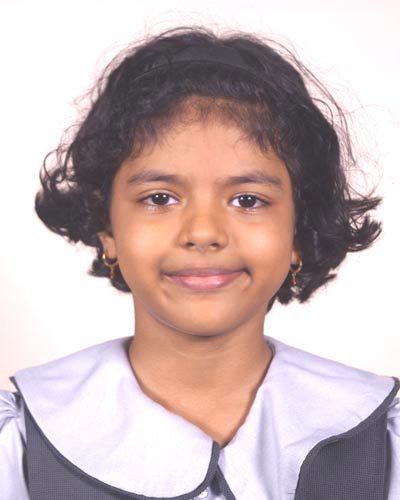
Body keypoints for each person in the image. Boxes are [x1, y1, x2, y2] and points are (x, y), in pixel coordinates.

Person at [0, 26, 398, 500]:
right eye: (160, 198)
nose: (204, 232)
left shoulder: (381, 440)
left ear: (299, 231)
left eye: (248, 200)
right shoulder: (23, 443)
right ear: (108, 230)